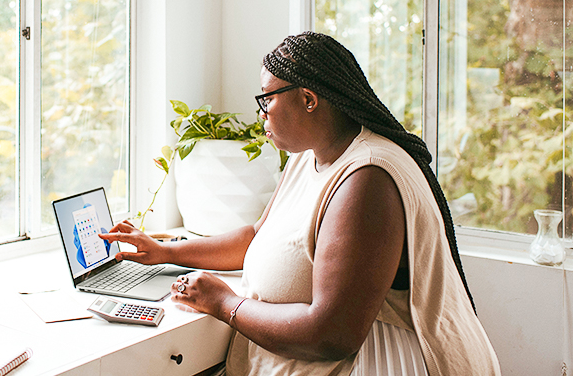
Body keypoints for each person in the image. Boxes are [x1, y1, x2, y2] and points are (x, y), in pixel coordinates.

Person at [100, 32, 500, 375]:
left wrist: (224, 302)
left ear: (308, 99)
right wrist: (168, 250)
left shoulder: (367, 179)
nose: (261, 115)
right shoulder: (308, 156)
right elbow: (259, 236)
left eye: (267, 99)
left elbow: (331, 335)